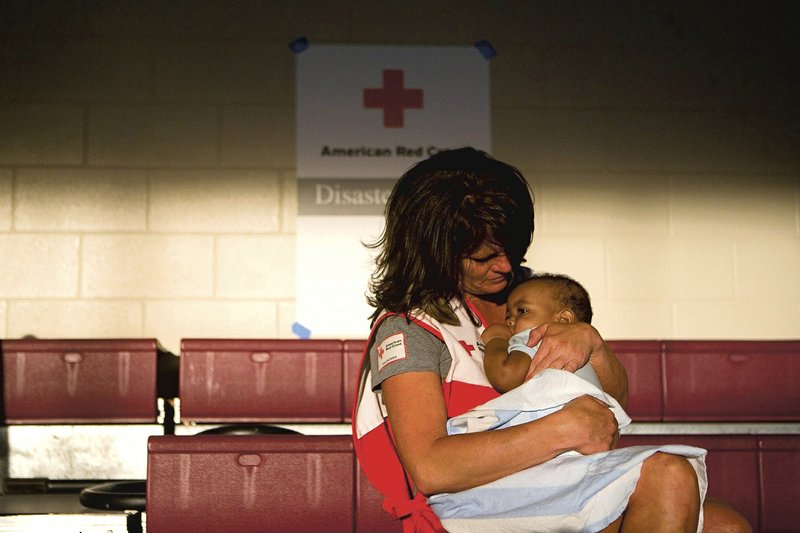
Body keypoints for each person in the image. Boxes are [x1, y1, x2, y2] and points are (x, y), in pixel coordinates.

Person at [352, 147, 751, 532]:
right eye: (483, 257)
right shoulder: (410, 326)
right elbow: (430, 469)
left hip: (557, 483)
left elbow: (610, 411)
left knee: (725, 525)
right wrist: (561, 430)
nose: (506, 265)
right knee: (667, 473)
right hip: (475, 506)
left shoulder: (535, 293)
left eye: (510, 247)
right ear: (434, 251)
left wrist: (592, 343)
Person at [482, 273, 602, 393]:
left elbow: (505, 377)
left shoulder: (534, 337)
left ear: (563, 320)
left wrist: (496, 338)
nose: (510, 321)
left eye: (522, 311)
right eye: (508, 316)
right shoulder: (585, 358)